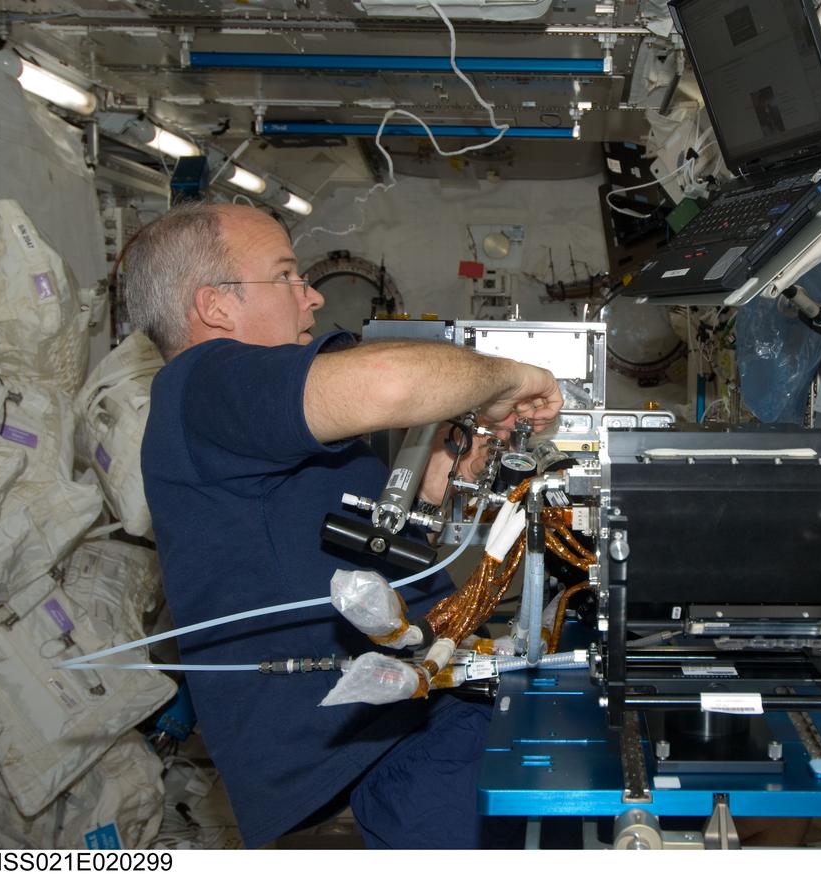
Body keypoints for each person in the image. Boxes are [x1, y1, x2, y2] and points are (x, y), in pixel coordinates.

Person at [124, 201, 562, 849]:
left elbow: (362, 538)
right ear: (216, 306)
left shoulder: (243, 420)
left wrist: (445, 473)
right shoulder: (205, 382)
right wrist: (509, 376)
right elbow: (385, 382)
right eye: (287, 276)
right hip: (387, 751)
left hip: (413, 710)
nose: (309, 299)